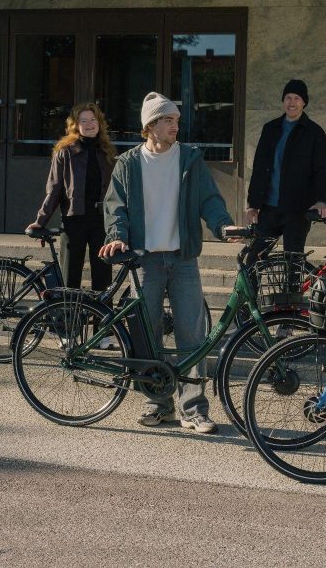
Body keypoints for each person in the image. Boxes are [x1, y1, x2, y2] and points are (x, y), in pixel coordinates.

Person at [99, 92, 234, 435]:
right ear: (150, 126)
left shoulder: (189, 159)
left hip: (182, 259)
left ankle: (194, 409)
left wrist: (223, 225)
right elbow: (115, 207)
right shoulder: (129, 164)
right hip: (145, 262)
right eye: (168, 120)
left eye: (176, 120)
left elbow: (209, 199)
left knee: (193, 333)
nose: (176, 126)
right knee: (148, 333)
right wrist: (117, 235)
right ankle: (158, 404)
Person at [27, 103, 115, 291]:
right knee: (70, 277)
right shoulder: (65, 152)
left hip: (101, 221)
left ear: (99, 123)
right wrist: (40, 221)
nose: (89, 124)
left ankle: (101, 319)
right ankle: (70, 319)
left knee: (103, 276)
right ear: (76, 125)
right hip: (73, 220)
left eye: (93, 120)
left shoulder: (106, 152)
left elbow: (116, 191)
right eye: (84, 120)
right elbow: (54, 190)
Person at [244, 79, 326, 260]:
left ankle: (291, 291)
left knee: (292, 263)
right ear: (283, 101)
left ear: (304, 102)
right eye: (288, 98)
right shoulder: (270, 129)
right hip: (269, 209)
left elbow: (322, 170)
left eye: (297, 98)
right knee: (254, 259)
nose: (292, 103)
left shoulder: (314, 133)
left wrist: (322, 200)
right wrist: (253, 204)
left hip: (297, 211)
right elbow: (259, 168)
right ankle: (248, 290)